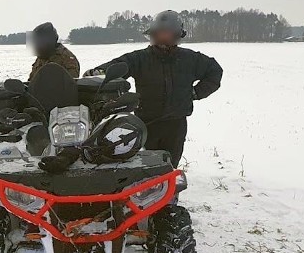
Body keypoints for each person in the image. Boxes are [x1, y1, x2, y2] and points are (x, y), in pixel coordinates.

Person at [86, 10, 223, 167]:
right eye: (160, 33)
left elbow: (215, 72)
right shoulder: (140, 58)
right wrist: (98, 73)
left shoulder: (191, 59)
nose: (163, 37)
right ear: (153, 34)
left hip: (176, 124)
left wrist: (197, 92)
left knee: (170, 165)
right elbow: (119, 66)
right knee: (143, 166)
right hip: (145, 123)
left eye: (168, 33)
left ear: (177, 34)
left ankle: (170, 189)